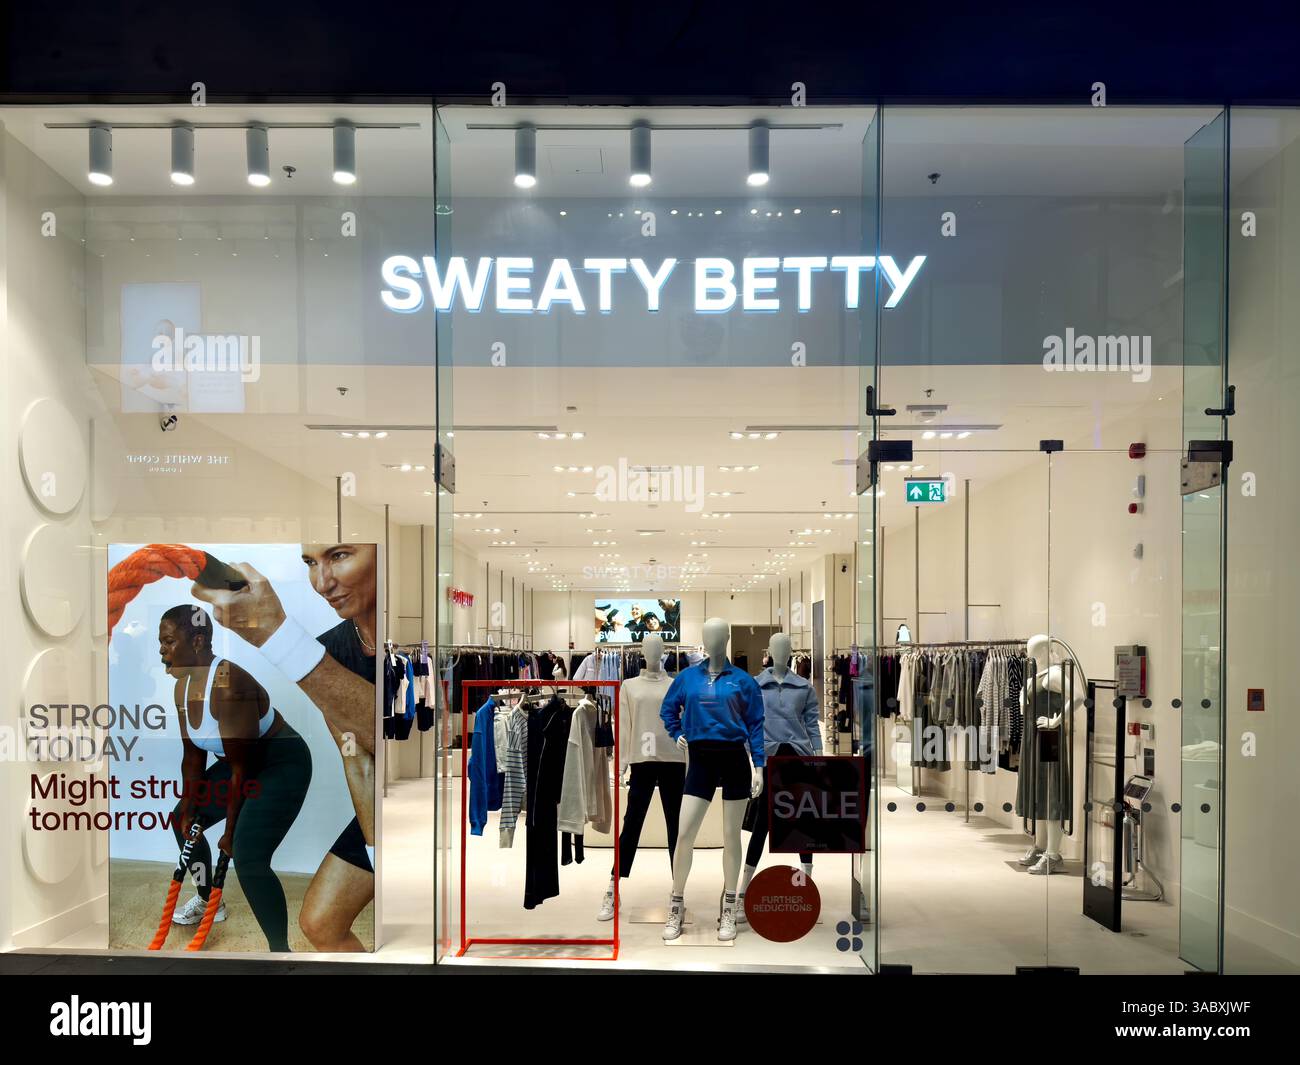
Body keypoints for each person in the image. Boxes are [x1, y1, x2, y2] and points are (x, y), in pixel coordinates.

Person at [191, 543, 380, 952]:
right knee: (320, 923)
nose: (322, 582)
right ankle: (211, 901)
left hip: (439, 804)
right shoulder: (329, 648)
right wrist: (376, 851)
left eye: (340, 555)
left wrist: (277, 635)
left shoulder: (424, 638)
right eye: (310, 563)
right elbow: (359, 758)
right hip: (381, 805)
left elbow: (405, 744)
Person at [160, 604, 312, 952]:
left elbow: (244, 771)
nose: (162, 650)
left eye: (169, 642)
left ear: (197, 641)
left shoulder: (229, 684)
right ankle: (208, 901)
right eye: (161, 642)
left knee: (248, 856)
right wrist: (189, 804)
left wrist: (229, 831)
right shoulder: (182, 687)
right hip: (240, 762)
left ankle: (280, 951)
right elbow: (193, 756)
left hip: (280, 762)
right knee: (181, 819)